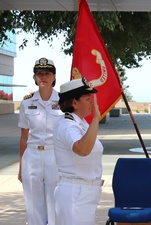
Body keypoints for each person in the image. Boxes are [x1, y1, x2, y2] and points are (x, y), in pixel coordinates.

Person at [18, 57, 62, 225]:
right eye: (39, 74)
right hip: (32, 156)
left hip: (54, 155)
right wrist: (21, 165)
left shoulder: (63, 102)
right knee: (33, 206)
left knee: (54, 204)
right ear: (35, 77)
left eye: (47, 73)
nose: (43, 77)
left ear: (54, 76)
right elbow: (24, 136)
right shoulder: (27, 102)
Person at [53, 77, 103, 225]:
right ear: (74, 103)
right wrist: (95, 120)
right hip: (76, 193)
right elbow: (82, 149)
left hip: (84, 193)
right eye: (87, 98)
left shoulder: (80, 123)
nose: (92, 102)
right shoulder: (67, 125)